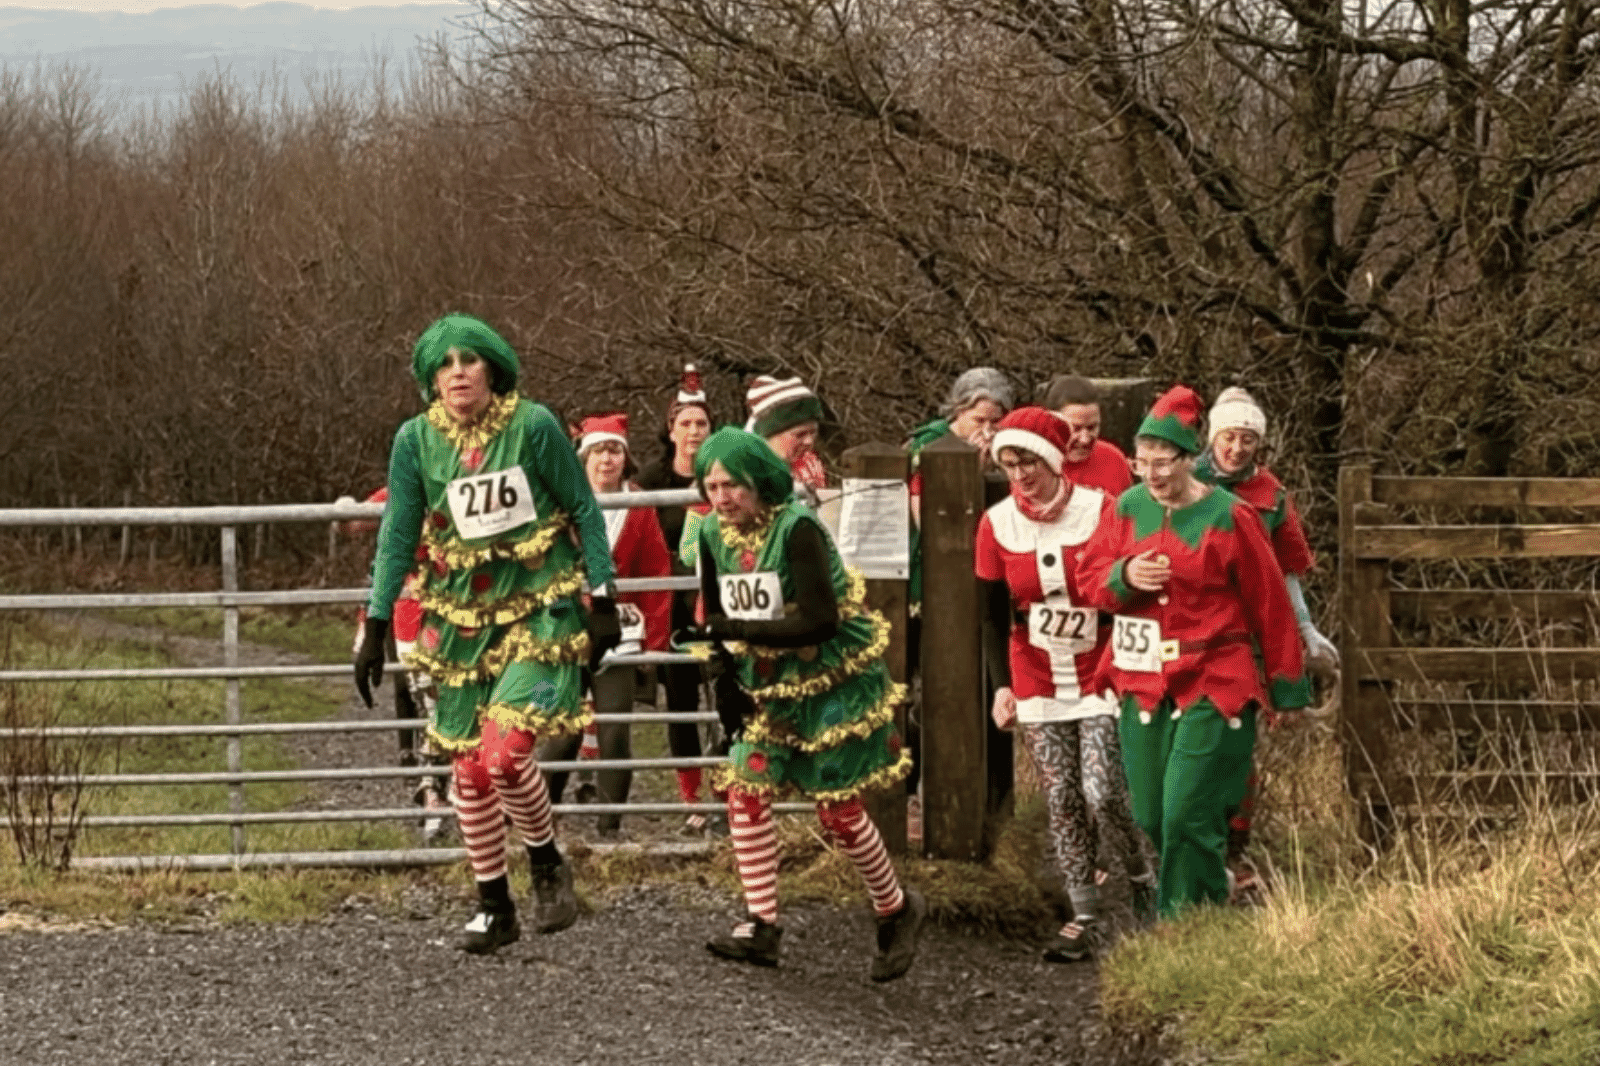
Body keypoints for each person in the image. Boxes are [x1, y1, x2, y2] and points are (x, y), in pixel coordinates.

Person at [354, 313, 622, 954]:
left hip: (540, 606)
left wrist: (605, 594)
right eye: (444, 365)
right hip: (462, 618)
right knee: (469, 771)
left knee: (504, 753)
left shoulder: (532, 426)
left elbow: (582, 505)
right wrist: (375, 620)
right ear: (429, 379)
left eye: (468, 361)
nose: (457, 374)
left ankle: (546, 858)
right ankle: (493, 902)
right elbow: (397, 534)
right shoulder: (416, 440)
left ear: (492, 368)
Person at [689, 427, 924, 981]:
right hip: (766, 679)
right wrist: (722, 677)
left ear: (759, 483)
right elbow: (715, 611)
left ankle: (895, 907)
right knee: (745, 786)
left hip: (828, 679)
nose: (722, 498)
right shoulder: (709, 532)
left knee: (835, 808)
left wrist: (741, 627)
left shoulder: (797, 530)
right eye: (713, 486)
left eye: (733, 486)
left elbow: (819, 619)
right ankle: (762, 924)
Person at [1075, 385, 1310, 918]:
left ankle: (1181, 923)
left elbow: (1270, 604)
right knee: (1154, 815)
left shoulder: (1232, 517)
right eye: (1142, 464)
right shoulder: (1127, 508)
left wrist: (1288, 688)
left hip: (1215, 675)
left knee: (1186, 810)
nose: (1152, 475)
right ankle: (1213, 892)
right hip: (1143, 677)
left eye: (1164, 463)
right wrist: (1125, 575)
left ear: (1189, 460)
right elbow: (1089, 580)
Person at [976, 407, 1152, 961]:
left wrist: (1132, 662)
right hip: (1035, 669)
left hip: (1099, 664)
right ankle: (1083, 914)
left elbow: (1129, 590)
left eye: (1028, 460)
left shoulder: (1103, 511)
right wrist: (1001, 686)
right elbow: (988, 612)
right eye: (1009, 463)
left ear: (1051, 458)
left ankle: (1143, 880)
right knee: (1062, 796)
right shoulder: (996, 523)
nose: (1020, 473)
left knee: (1103, 792)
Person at [1194, 386, 1337, 880]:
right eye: (1229, 437)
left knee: (1238, 738)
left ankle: (1234, 849)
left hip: (1248, 631)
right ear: (1214, 436)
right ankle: (1191, 841)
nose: (1236, 449)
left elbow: (1287, 573)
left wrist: (1305, 630)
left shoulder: (1271, 496)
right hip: (1192, 626)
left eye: (1248, 440)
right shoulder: (1181, 482)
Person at [540, 413, 674, 838]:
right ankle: (539, 817)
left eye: (614, 451)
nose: (606, 460)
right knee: (562, 734)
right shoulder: (561, 504)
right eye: (598, 451)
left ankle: (609, 827)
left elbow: (657, 575)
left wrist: (655, 643)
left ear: (625, 458)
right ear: (584, 458)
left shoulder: (640, 507)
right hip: (568, 634)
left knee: (615, 733)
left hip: (622, 636)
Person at [340, 486, 451, 842]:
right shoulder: (399, 485)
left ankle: (456, 785)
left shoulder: (465, 473)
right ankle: (429, 787)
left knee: (456, 692)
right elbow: (355, 522)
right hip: (410, 596)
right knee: (417, 688)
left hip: (464, 591)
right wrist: (346, 514)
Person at [636, 364, 720, 831]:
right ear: (670, 431)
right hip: (671, 603)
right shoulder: (652, 479)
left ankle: (731, 789)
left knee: (726, 692)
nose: (693, 432)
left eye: (701, 424)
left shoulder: (721, 473)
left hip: (714, 596)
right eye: (685, 423)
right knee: (682, 701)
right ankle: (692, 801)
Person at [1041, 375, 1133, 497]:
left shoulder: (1113, 459)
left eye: (1092, 428)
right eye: (1075, 428)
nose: (1085, 440)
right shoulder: (1034, 465)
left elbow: (1129, 513)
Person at [744, 374, 827, 506]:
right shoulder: (743, 471)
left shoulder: (809, 465)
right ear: (767, 435)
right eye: (800, 434)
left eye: (813, 432)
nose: (809, 441)